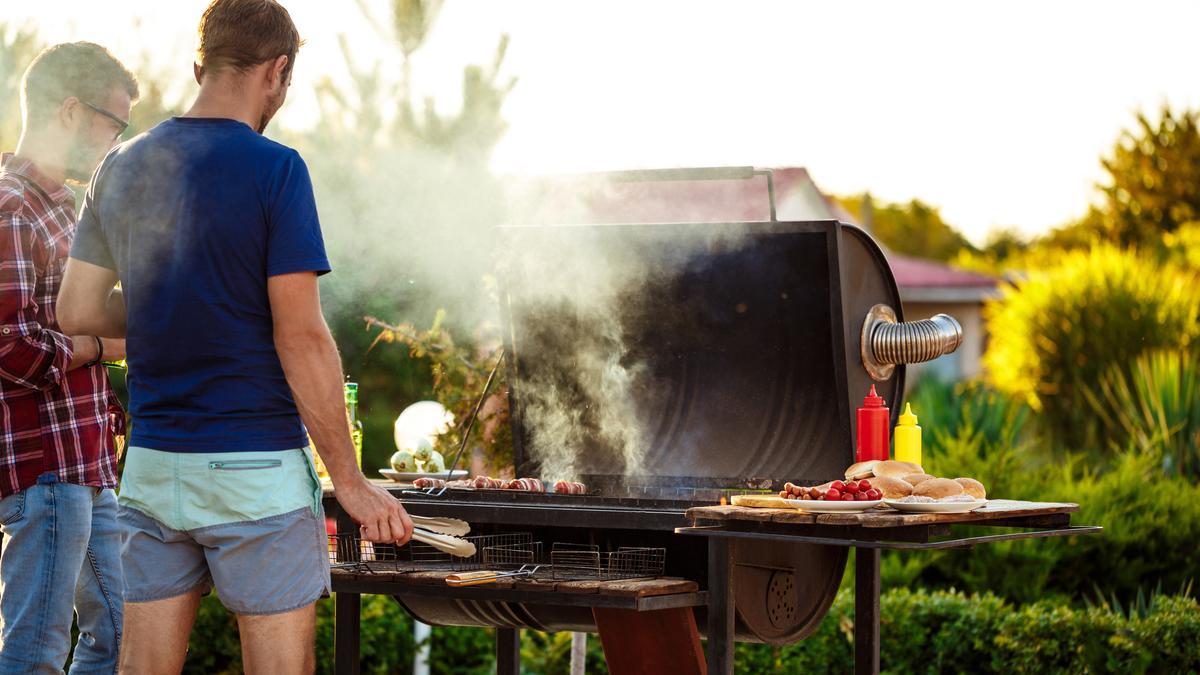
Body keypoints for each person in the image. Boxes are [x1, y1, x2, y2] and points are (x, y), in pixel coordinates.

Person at [56, 1, 412, 672]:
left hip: (155, 466)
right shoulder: (276, 170)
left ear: (201, 66)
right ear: (277, 72)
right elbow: (301, 336)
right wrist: (352, 481)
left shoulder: (121, 168)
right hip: (257, 471)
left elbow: (76, 308)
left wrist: (175, 305)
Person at [0, 42, 135, 674]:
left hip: (88, 465)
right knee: (36, 654)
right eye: (115, 125)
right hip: (45, 471)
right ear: (72, 110)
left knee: (122, 635)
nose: (116, 143)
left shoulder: (62, 210)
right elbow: (9, 347)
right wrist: (106, 348)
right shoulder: (11, 208)